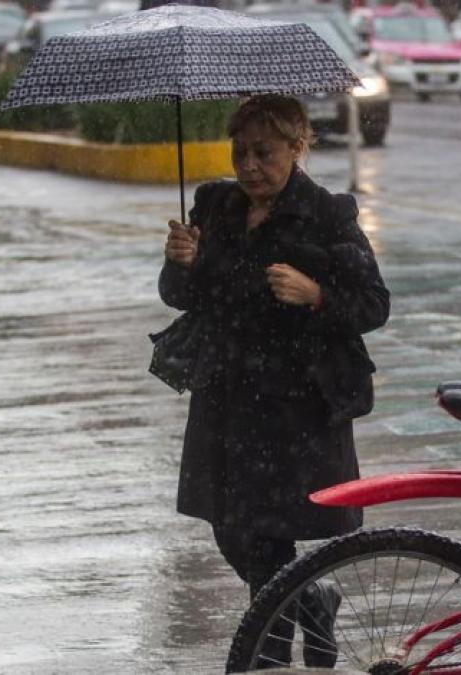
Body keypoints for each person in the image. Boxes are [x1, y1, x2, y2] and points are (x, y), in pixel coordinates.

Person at [158, 94, 389, 669]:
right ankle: (313, 599)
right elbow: (182, 296)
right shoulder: (213, 205)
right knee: (232, 531)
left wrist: (317, 297)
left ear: (297, 146)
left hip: (295, 402)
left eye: (264, 152)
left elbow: (373, 304)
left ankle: (267, 656)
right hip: (227, 393)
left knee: (269, 537)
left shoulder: (327, 213)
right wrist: (180, 262)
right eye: (240, 152)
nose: (250, 166)